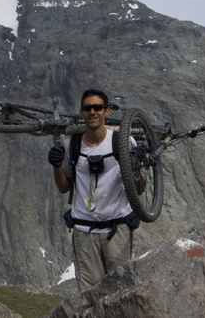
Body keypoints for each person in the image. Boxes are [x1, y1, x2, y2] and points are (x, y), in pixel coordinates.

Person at [48, 89, 139, 290]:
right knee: (89, 295)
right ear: (81, 112)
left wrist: (137, 168)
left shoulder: (122, 142)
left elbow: (138, 190)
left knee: (123, 291)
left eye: (97, 107)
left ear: (106, 111)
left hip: (118, 229)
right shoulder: (70, 144)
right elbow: (63, 187)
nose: (92, 112)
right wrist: (56, 166)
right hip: (84, 231)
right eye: (88, 108)